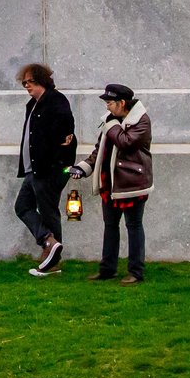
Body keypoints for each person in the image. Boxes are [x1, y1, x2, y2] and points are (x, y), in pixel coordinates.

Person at [70, 83, 153, 285]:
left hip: (132, 184)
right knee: (110, 226)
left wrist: (112, 125)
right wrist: (83, 168)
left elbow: (126, 142)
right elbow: (100, 150)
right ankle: (107, 269)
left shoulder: (141, 121)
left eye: (109, 103)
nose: (106, 107)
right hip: (111, 183)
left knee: (134, 226)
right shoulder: (111, 121)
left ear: (122, 103)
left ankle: (136, 272)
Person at [14, 63, 77, 278]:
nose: (26, 86)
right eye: (24, 83)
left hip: (48, 170)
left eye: (29, 82)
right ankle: (49, 242)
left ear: (41, 80)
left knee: (49, 212)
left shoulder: (56, 101)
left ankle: (52, 262)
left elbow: (66, 137)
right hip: (33, 170)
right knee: (22, 207)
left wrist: (56, 166)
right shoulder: (32, 104)